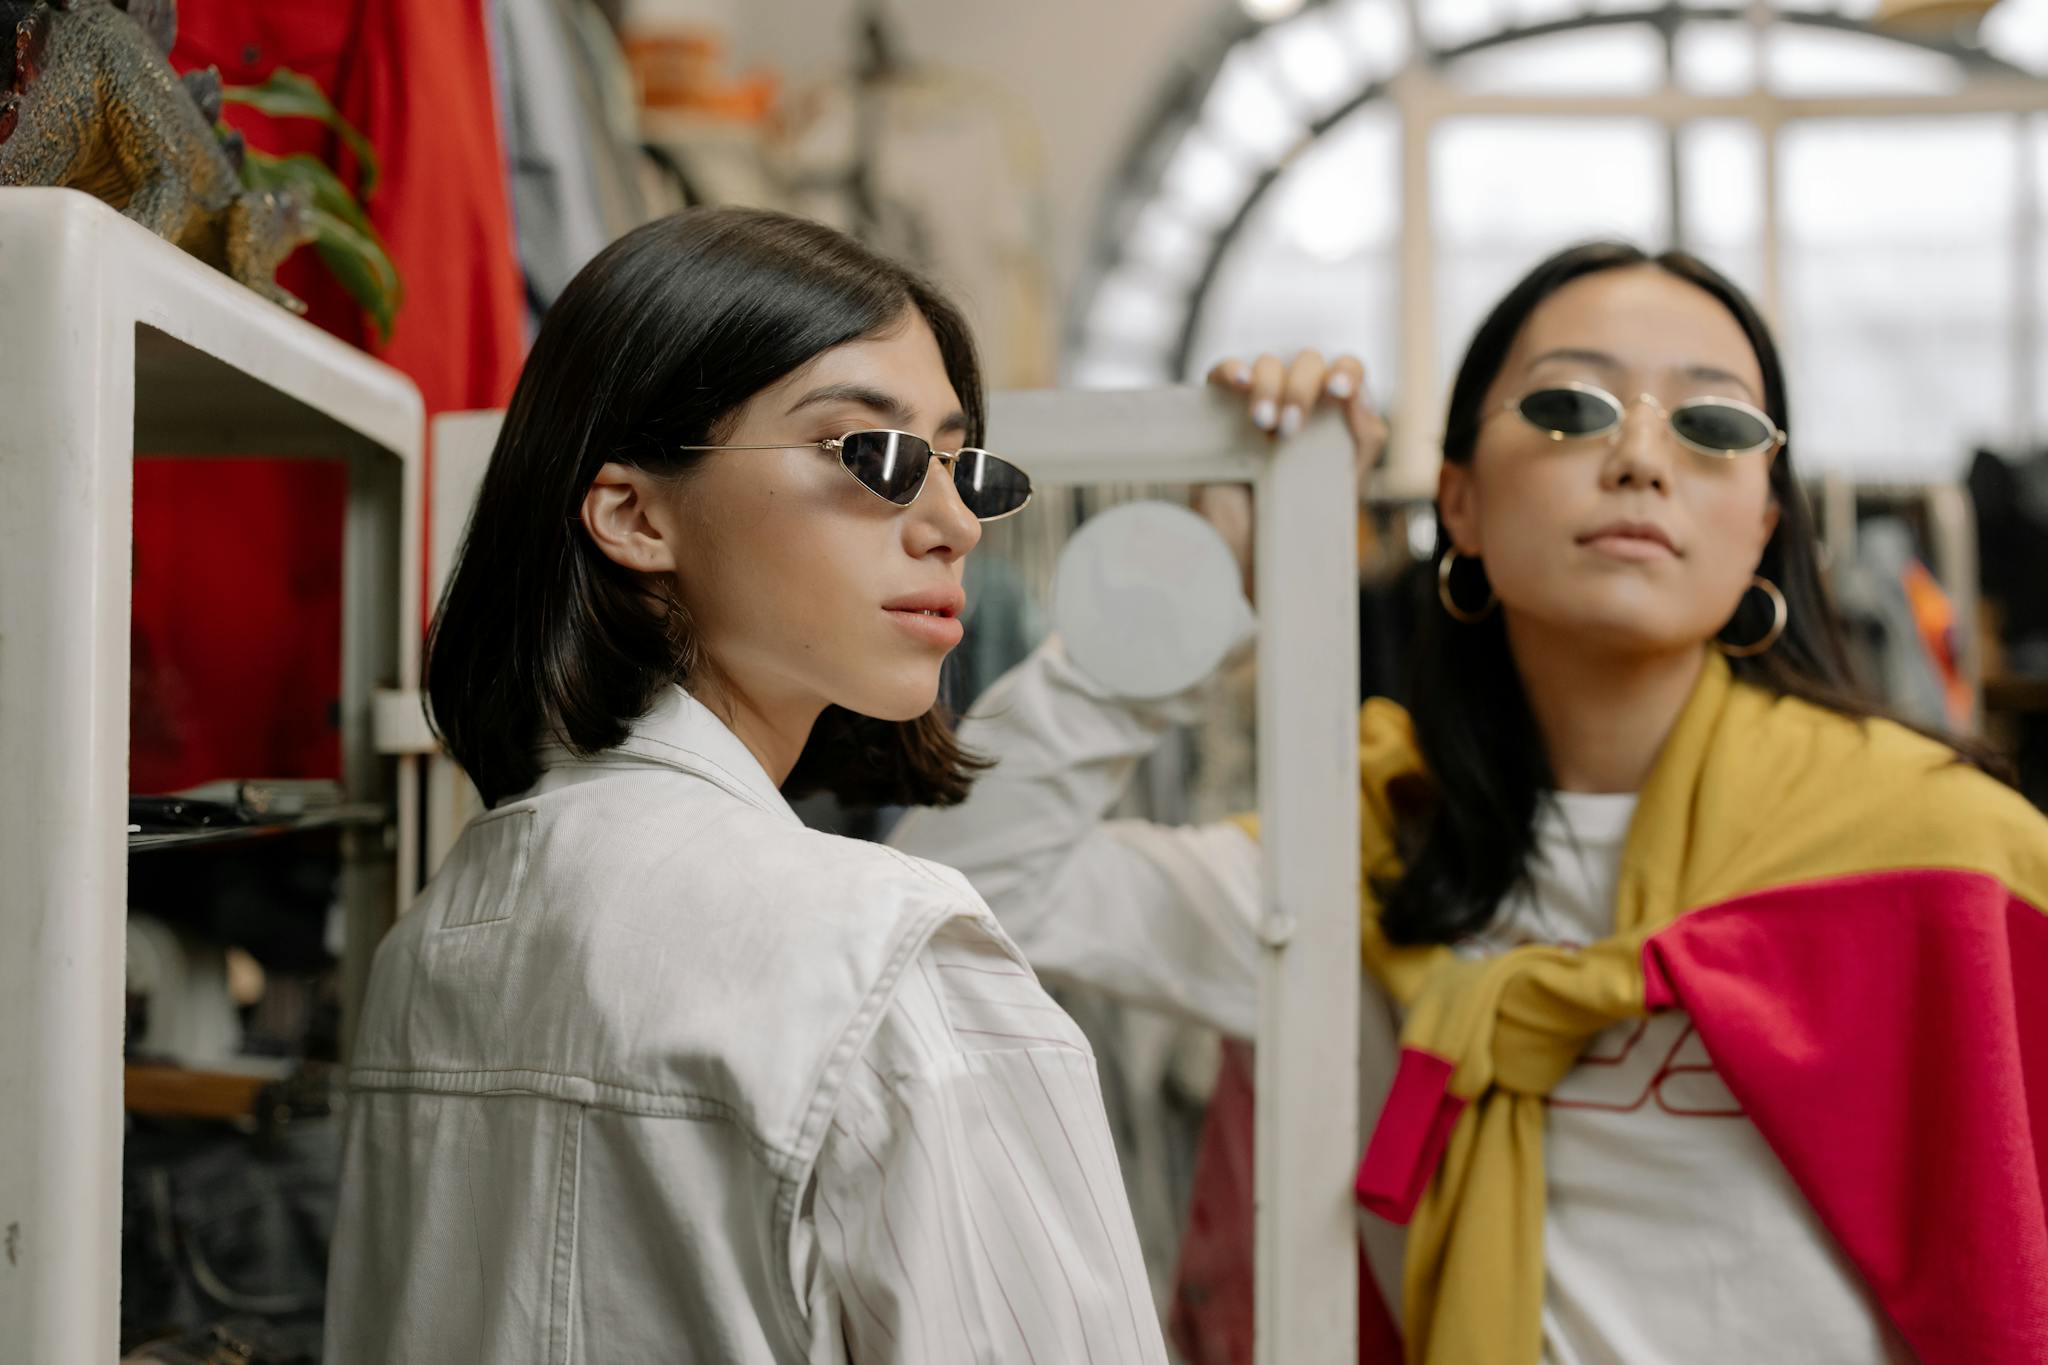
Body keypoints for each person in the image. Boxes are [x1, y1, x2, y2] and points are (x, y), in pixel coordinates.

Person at [890, 243, 2048, 1365]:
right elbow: (961, 892)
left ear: (1762, 527)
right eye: (1568, 410)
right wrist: (1211, 560)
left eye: (1711, 424)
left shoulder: (1940, 854)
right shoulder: (1355, 862)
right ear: (1460, 503)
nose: (1641, 458)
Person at [325, 207, 1169, 1365]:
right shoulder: (882, 962)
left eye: (959, 464)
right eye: (866, 455)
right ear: (632, 511)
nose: (951, 523)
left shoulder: (429, 945)